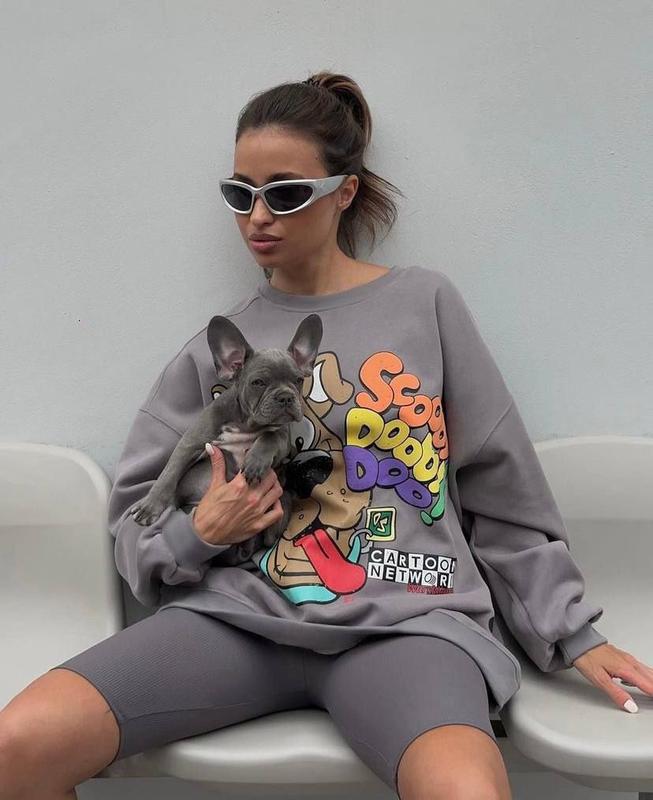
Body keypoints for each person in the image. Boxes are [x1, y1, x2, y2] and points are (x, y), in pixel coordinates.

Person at [1, 72, 651, 800]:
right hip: (237, 620)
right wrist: (197, 534)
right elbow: (136, 517)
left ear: (344, 193)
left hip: (408, 628)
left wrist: (572, 634)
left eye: (284, 193)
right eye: (240, 193)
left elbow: (500, 490)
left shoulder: (424, 305)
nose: (257, 216)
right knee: (18, 747)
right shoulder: (221, 351)